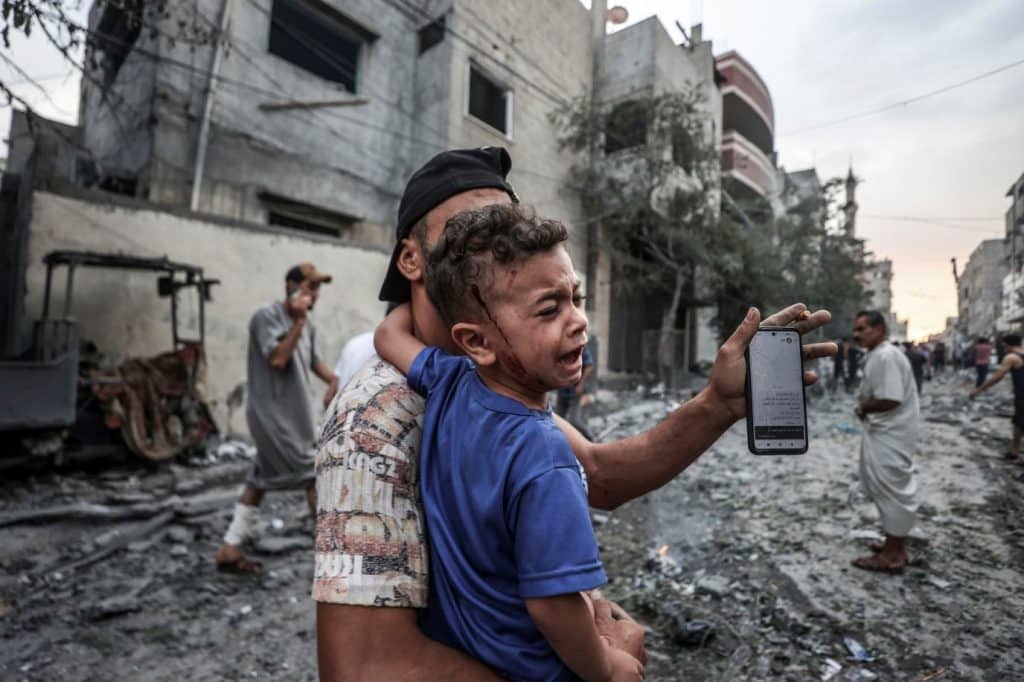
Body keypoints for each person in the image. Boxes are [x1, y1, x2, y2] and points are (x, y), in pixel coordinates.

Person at [314, 147, 836, 679]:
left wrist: (718, 405)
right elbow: (364, 669)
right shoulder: (376, 416)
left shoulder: (475, 381)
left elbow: (598, 474)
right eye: (468, 230)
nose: (496, 238)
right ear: (412, 259)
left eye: (508, 223)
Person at [374, 205, 642, 680]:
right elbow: (555, 608)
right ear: (477, 342)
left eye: (575, 298)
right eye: (549, 309)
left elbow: (388, 334)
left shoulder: (449, 380)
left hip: (467, 652)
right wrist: (609, 669)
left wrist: (422, 286)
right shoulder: (544, 453)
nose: (579, 320)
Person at [214, 263, 339, 573]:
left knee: (259, 480)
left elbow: (311, 360)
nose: (315, 294)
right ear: (290, 286)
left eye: (317, 288)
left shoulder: (307, 325)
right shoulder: (266, 317)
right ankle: (332, 554)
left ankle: (231, 547)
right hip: (273, 415)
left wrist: (338, 381)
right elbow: (279, 358)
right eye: (309, 287)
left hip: (294, 414)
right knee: (314, 474)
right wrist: (298, 321)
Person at [851, 310, 921, 574]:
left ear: (879, 329)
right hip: (886, 431)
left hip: (892, 433)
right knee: (883, 486)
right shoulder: (878, 354)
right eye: (855, 330)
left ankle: (893, 555)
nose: (857, 335)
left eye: (862, 328)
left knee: (893, 488)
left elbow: (891, 398)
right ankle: (893, 545)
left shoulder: (885, 355)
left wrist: (863, 407)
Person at [969, 333, 1024, 462]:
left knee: (1020, 423)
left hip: (1022, 395)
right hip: (1020, 395)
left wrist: (979, 389)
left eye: (1004, 345)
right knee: (1018, 424)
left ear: (1008, 345)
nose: (1003, 348)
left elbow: (998, 377)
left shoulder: (1011, 357)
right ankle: (1014, 451)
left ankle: (1015, 452)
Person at [555, 338, 596, 438]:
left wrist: (580, 385)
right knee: (557, 420)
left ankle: (591, 438)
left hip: (575, 390)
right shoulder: (559, 346)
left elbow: (589, 366)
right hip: (562, 389)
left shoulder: (579, 345)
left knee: (574, 420)